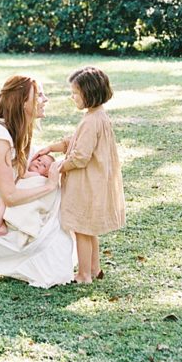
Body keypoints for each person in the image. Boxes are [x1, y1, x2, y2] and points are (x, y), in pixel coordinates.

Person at [0, 75, 75, 287]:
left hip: (2, 214)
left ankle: (1, 256)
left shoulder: (15, 129)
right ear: (22, 103)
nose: (45, 99)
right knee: (49, 188)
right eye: (39, 95)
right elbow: (10, 196)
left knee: (53, 185)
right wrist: (50, 184)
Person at [37, 66, 125, 284]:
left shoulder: (92, 120)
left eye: (75, 93)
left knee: (81, 229)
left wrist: (57, 167)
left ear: (89, 93)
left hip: (86, 183)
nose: (72, 97)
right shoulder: (96, 116)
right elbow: (72, 140)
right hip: (93, 181)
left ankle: (84, 274)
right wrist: (51, 148)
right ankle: (95, 268)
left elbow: (80, 156)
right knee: (89, 228)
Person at [0, 152, 57, 239]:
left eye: (44, 166)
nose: (39, 163)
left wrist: (24, 162)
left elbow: (23, 174)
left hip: (21, 199)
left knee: (3, 200)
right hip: (14, 195)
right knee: (3, 200)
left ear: (46, 174)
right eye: (38, 160)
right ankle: (3, 225)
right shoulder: (33, 172)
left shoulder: (37, 176)